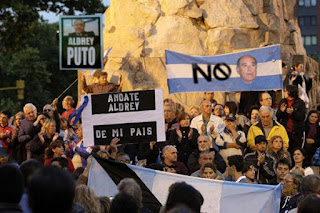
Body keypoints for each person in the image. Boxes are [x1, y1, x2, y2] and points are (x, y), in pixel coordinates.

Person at [277, 85, 306, 153]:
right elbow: (278, 116)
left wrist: (293, 112)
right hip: (285, 131)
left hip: (296, 132)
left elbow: (302, 117)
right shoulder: (283, 101)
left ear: (290, 92)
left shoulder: (300, 103)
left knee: (296, 150)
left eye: (285, 91)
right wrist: (281, 111)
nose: (284, 92)